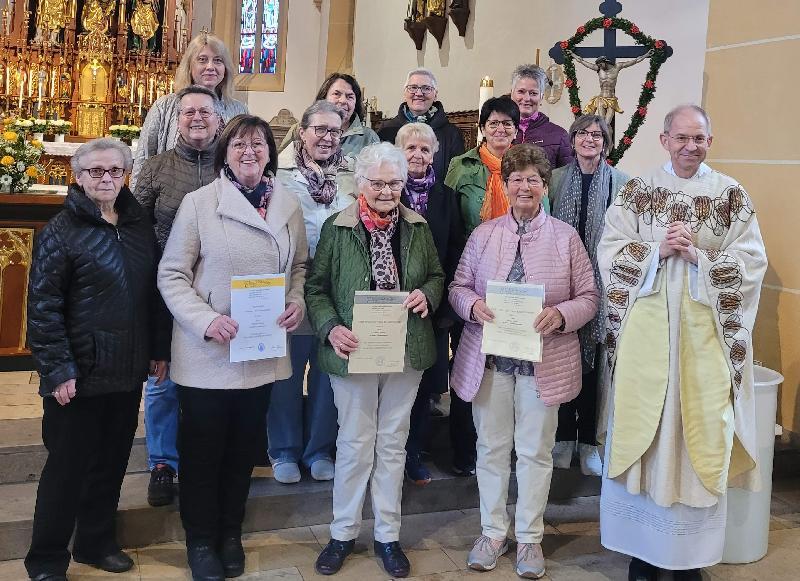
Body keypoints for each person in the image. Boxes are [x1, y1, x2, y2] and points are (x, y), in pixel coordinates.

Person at [597, 104, 767, 581]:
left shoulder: (729, 194)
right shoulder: (638, 190)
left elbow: (752, 261)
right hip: (645, 348)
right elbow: (609, 249)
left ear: (710, 141)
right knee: (643, 435)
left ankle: (688, 558)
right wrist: (656, 251)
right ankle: (642, 552)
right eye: (682, 138)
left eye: (700, 139)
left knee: (699, 436)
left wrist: (702, 258)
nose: (691, 147)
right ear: (664, 139)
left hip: (703, 348)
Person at [158, 115, 308, 581]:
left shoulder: (287, 202)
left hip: (260, 354)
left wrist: (296, 301)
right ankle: (200, 540)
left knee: (243, 453)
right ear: (226, 151)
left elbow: (299, 265)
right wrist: (207, 321)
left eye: (258, 144)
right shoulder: (200, 203)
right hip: (209, 356)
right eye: (240, 144)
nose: (249, 152)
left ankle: (229, 533)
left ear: (270, 151)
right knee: (204, 455)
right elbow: (172, 274)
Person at [449, 143, 598, 579]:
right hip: (492, 363)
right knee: (491, 449)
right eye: (517, 179)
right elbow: (458, 287)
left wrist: (561, 314)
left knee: (535, 453)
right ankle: (493, 532)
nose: (525, 186)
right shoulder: (484, 235)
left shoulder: (566, 238)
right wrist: (473, 306)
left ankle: (530, 538)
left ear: (544, 185)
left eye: (534, 178)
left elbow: (590, 297)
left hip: (543, 364)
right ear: (506, 184)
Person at [25, 138, 168, 581]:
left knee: (110, 464)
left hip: (126, 370)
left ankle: (95, 541)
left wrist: (158, 349)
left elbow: (154, 293)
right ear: (78, 176)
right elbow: (42, 307)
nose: (106, 179)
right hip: (79, 375)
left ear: (126, 173)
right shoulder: (60, 231)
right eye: (95, 172)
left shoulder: (139, 224)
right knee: (66, 472)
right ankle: (47, 559)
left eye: (114, 171)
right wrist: (58, 369)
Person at [306, 143, 444, 577]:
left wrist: (429, 294)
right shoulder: (337, 227)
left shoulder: (418, 227)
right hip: (355, 348)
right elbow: (316, 287)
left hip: (405, 349)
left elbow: (437, 276)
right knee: (353, 443)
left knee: (392, 443)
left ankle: (387, 535)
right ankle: (342, 533)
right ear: (360, 183)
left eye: (395, 183)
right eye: (378, 182)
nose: (387, 191)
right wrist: (331, 327)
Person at [134, 85, 222, 507]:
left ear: (219, 118)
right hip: (166, 287)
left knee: (212, 376)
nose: (197, 119)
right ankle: (163, 463)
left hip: (218, 288)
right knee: (162, 376)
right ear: (177, 119)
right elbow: (136, 228)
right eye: (188, 112)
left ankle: (206, 453)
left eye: (205, 111)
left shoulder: (232, 164)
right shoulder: (155, 168)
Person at [268, 100, 356, 484]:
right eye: (319, 129)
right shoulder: (278, 176)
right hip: (293, 287)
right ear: (302, 132)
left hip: (337, 290)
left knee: (328, 372)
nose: (326, 137)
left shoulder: (353, 176)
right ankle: (284, 450)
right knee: (285, 372)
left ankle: (319, 448)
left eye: (334, 131)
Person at [444, 96, 523, 478]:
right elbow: (446, 216)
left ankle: (501, 448)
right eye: (493, 122)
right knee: (469, 363)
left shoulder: (526, 168)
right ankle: (463, 449)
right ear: (483, 126)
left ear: (517, 128)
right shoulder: (461, 167)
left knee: (509, 369)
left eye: (508, 123)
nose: (501, 129)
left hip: (517, 284)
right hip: (473, 276)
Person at [548, 115, 630, 477]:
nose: (589, 140)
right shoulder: (556, 178)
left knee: (595, 364)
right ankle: (562, 437)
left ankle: (588, 443)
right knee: (561, 358)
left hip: (602, 284)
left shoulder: (621, 183)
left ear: (606, 143)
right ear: (573, 139)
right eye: (582, 133)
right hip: (561, 282)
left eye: (597, 135)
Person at [394, 122, 465, 485]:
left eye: (424, 149)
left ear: (434, 153)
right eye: (410, 149)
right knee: (390, 382)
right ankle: (387, 452)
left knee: (422, 386)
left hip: (431, 308)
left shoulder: (447, 197)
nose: (418, 155)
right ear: (399, 152)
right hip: (390, 305)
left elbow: (454, 251)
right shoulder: (388, 190)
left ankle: (413, 453)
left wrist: (444, 304)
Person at [131, 32, 248, 188]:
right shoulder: (165, 106)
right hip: (171, 192)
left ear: (225, 68)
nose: (211, 67)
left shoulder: (238, 110)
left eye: (218, 61)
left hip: (222, 195)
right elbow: (144, 158)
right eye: (202, 60)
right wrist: (136, 208)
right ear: (189, 66)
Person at [377, 67, 465, 184]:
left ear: (435, 95)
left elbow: (457, 177)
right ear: (405, 93)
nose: (418, 93)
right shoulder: (386, 130)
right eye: (413, 88)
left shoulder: (451, 134)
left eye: (426, 88)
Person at [278, 73, 379, 157]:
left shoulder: (369, 138)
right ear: (324, 97)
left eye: (350, 96)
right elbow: (279, 165)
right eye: (336, 94)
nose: (343, 101)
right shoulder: (299, 129)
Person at [509, 64, 573, 169]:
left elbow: (567, 177)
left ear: (541, 97)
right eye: (521, 91)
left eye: (533, 93)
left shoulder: (559, 135)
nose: (526, 98)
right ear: (512, 94)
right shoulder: (501, 131)